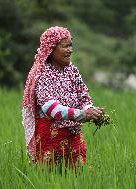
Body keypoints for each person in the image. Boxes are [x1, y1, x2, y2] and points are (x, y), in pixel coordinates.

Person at [22, 26, 103, 168]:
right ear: (51, 49)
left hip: (74, 135)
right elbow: (49, 107)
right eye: (65, 46)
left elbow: (83, 96)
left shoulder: (72, 70)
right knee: (50, 179)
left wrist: (91, 110)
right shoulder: (42, 73)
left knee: (78, 176)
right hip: (51, 138)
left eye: (71, 45)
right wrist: (83, 114)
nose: (70, 50)